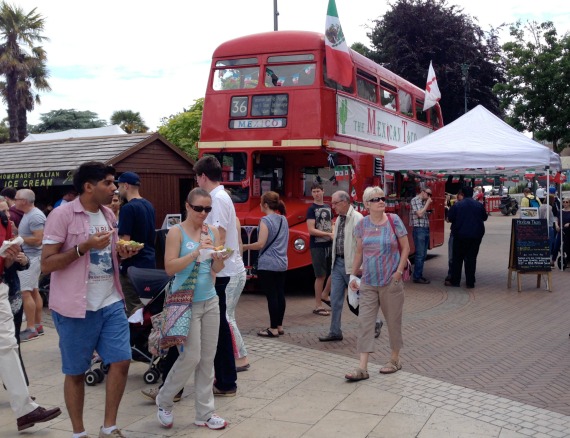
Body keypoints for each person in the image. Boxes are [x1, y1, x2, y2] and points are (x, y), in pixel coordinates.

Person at [41, 161, 141, 438]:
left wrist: (122, 252)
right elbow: (47, 265)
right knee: (75, 372)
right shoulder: (62, 216)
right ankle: (78, 432)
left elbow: (108, 255)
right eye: (108, 183)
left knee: (121, 361)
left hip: (110, 300)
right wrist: (82, 247)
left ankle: (109, 427)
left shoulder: (109, 214)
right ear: (88, 187)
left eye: (114, 182)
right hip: (76, 306)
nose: (114, 188)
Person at [155, 188, 228, 431]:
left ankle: (205, 413)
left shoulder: (213, 232)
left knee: (208, 358)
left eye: (207, 209)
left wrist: (219, 257)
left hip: (210, 300)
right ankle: (164, 400)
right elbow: (169, 268)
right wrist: (196, 251)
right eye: (198, 208)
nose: (203, 213)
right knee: (191, 356)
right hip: (184, 302)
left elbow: (215, 269)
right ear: (187, 206)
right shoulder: (176, 232)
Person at [0, 198, 62, 432]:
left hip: (2, 289)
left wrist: (10, 259)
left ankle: (25, 409)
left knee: (8, 346)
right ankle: (25, 409)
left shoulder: (4, 221)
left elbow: (7, 264)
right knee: (6, 347)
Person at [344, 187, 409, 381]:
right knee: (365, 323)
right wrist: (353, 277)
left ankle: (395, 359)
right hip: (369, 282)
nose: (381, 201)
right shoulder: (362, 225)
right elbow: (359, 252)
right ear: (366, 204)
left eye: (382, 198)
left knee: (393, 322)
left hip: (391, 282)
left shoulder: (393, 220)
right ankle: (362, 368)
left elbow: (405, 248)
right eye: (375, 199)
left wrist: (398, 272)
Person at [194, 156, 240, 397]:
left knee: (218, 326)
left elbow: (219, 236)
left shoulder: (218, 199)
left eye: (196, 177)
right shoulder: (222, 197)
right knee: (218, 324)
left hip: (218, 271)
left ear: (202, 176)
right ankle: (224, 378)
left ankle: (225, 380)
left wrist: (212, 269)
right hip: (219, 269)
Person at [242, 191, 289, 338]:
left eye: (261, 203)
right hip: (282, 262)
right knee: (280, 294)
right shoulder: (283, 219)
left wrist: (244, 247)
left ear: (266, 205)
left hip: (268, 263)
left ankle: (273, 328)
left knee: (272, 296)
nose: (260, 206)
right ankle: (280, 325)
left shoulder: (265, 221)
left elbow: (261, 244)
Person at [319, 190, 362, 342]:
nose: (333, 206)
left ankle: (374, 322)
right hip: (337, 263)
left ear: (344, 202)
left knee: (355, 299)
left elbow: (360, 246)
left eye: (335, 203)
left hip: (351, 264)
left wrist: (358, 267)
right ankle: (335, 331)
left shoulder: (357, 218)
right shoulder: (338, 219)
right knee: (336, 299)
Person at [116, 171, 157, 316]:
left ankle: (135, 339)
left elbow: (124, 243)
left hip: (132, 267)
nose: (118, 190)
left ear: (126, 186)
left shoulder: (128, 208)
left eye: (119, 186)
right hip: (149, 264)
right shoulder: (149, 205)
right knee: (146, 310)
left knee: (133, 311)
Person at [14, 189, 46, 342]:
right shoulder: (30, 214)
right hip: (33, 257)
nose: (14, 200)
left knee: (25, 292)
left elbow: (39, 239)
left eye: (17, 198)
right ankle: (38, 326)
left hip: (31, 258)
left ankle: (31, 328)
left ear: (24, 201)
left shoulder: (35, 215)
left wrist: (18, 238)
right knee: (33, 291)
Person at [446, 186, 488, 289]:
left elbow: (449, 218)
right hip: (475, 236)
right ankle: (470, 282)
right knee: (472, 258)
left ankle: (455, 281)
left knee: (457, 259)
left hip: (460, 236)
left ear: (462, 194)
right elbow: (485, 217)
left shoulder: (457, 205)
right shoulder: (479, 205)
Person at [306, 181, 333, 316]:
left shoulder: (328, 207)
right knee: (320, 275)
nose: (316, 194)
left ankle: (325, 294)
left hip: (329, 244)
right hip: (317, 245)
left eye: (318, 191)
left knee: (334, 271)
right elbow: (311, 230)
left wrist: (333, 234)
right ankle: (318, 305)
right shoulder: (311, 209)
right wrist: (329, 234)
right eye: (314, 191)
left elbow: (331, 223)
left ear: (323, 191)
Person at [228, 215, 249, 371]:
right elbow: (240, 244)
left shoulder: (226, 219)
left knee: (226, 316)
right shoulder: (235, 219)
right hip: (238, 270)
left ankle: (240, 357)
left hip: (231, 272)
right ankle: (238, 356)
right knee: (230, 315)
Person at [410, 187, 432, 284]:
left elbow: (422, 213)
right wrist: (427, 204)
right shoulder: (415, 200)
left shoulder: (423, 201)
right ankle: (417, 276)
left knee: (423, 254)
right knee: (420, 254)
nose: (429, 197)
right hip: (419, 229)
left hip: (425, 228)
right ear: (423, 192)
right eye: (428, 194)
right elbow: (419, 214)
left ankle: (419, 275)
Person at [445, 190, 464, 283]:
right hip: (468, 235)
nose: (457, 197)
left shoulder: (456, 206)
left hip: (455, 234)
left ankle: (452, 275)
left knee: (453, 256)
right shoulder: (475, 205)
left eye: (458, 195)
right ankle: (469, 279)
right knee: (467, 258)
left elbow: (448, 219)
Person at [538, 195, 559, 266]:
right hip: (549, 226)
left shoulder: (541, 206)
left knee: (542, 243)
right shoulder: (550, 207)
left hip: (541, 226)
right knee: (550, 244)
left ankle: (542, 258)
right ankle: (547, 259)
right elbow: (552, 216)